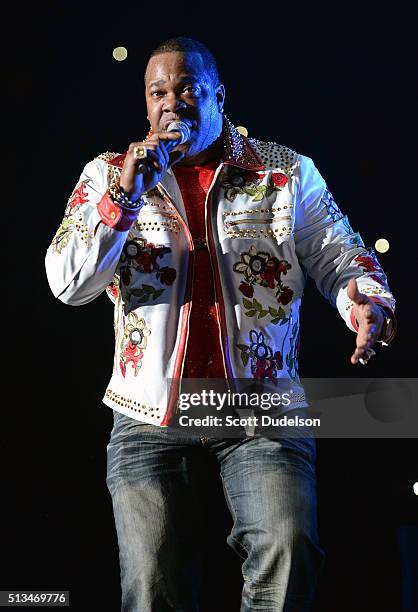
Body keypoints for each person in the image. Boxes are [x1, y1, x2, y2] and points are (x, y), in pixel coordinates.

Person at [45, 37, 396, 611]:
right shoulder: (108, 174)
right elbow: (66, 283)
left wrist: (366, 300)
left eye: (187, 88)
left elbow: (341, 254)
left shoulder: (283, 173)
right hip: (148, 412)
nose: (172, 103)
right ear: (145, 104)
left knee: (288, 551)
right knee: (153, 586)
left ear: (217, 96)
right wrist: (120, 197)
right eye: (158, 92)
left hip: (259, 406)